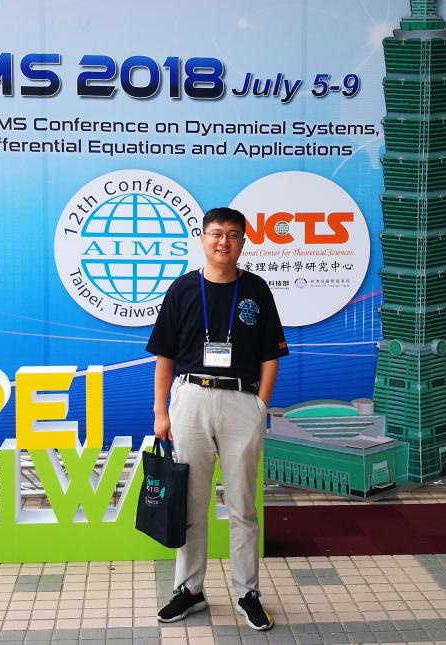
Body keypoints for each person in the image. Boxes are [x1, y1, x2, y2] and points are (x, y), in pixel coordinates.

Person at [146, 206, 288, 631]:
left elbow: (271, 354)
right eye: (216, 233)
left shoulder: (256, 289)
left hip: (241, 401)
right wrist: (160, 410)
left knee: (243, 503)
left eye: (232, 234)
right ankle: (189, 589)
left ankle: (248, 592)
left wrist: (260, 405)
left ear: (243, 241)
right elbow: (164, 356)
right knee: (191, 502)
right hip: (190, 398)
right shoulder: (183, 289)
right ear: (203, 238)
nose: (223, 241)